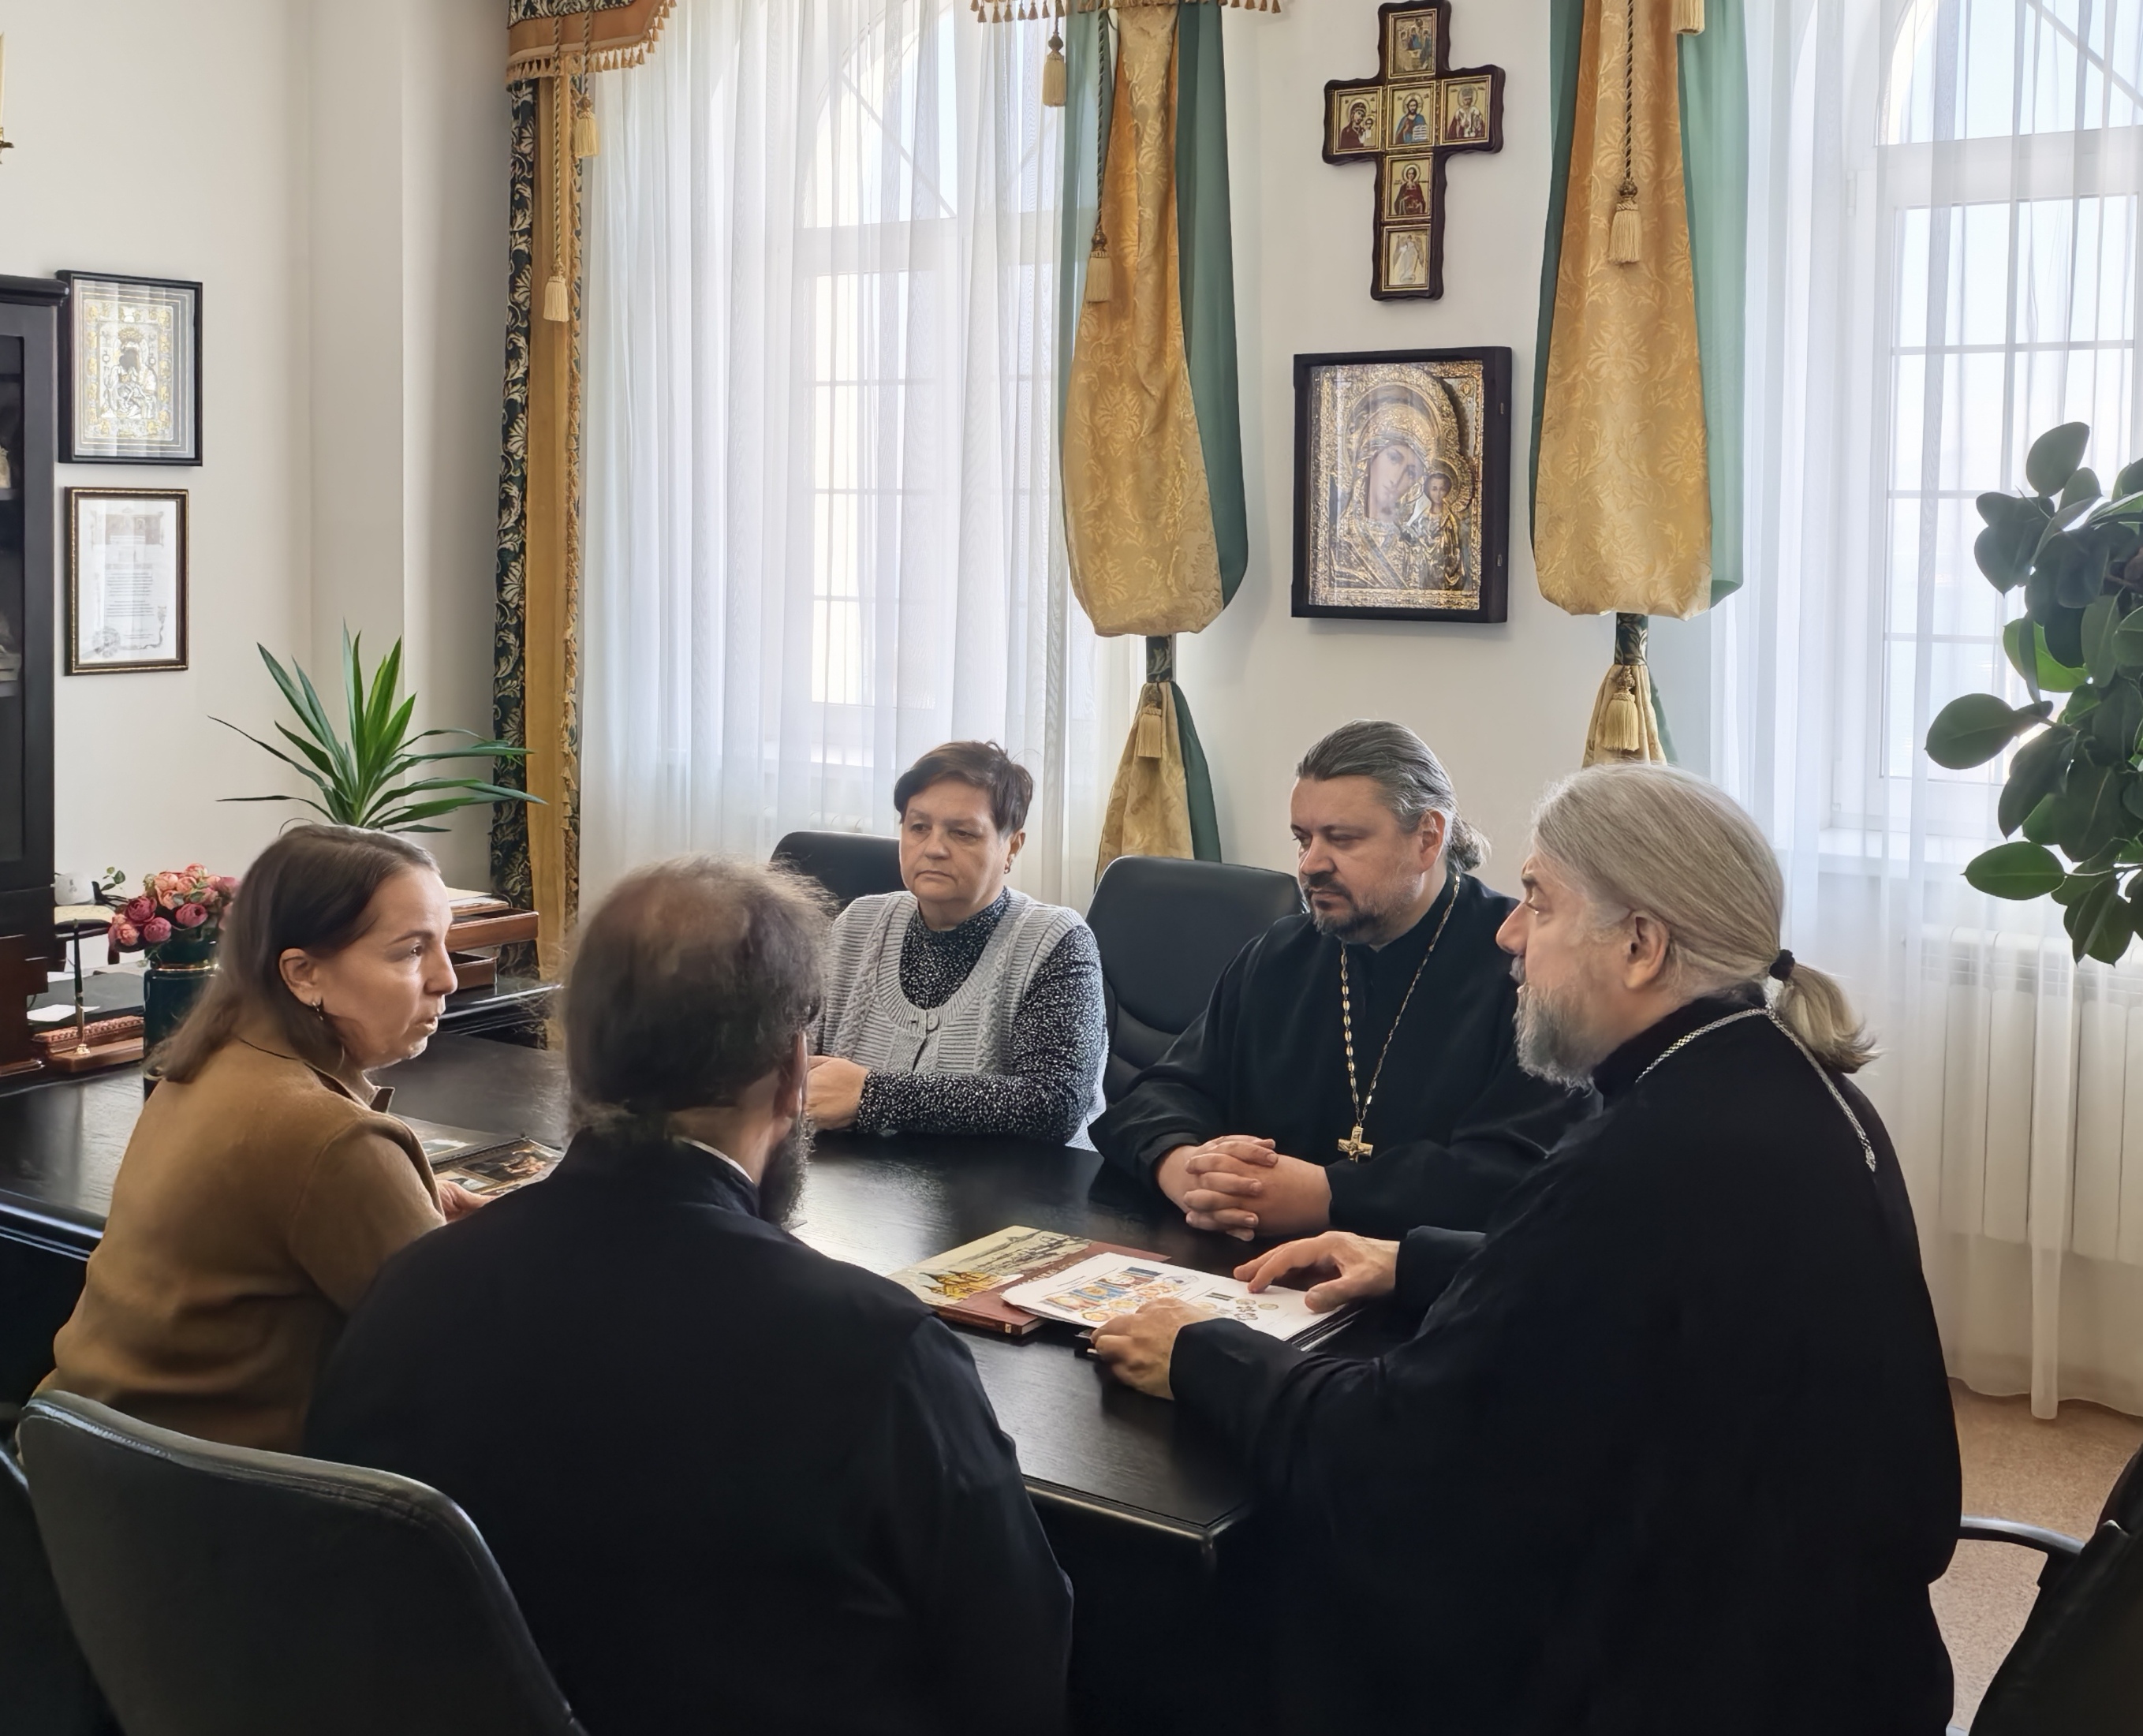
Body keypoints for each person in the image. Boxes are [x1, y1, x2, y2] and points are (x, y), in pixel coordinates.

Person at [1092, 764, 1961, 1734]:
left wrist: (1200, 1348)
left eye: (1538, 902)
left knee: (1212, 1601)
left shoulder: (1640, 1154)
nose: (1508, 933)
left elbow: (1397, 1454)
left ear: (1639, 944)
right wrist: (1411, 1260)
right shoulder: (1780, 1081)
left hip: (1685, 1675)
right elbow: (1637, 1296)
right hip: (1828, 1646)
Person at [305, 857, 1072, 1736]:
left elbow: (345, 1591)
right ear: (793, 1071)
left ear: (577, 1056)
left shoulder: (413, 1286)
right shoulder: (876, 1347)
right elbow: (1017, 1666)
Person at [40, 825, 478, 1451]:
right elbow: (469, 1354)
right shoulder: (332, 1139)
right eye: (411, 951)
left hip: (79, 1477)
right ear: (303, 973)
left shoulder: (205, 1063)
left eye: (444, 944)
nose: (447, 979)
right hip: (229, 1500)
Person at [1092, 721, 1591, 1241]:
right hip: (1245, 1261)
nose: (1310, 865)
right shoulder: (1280, 955)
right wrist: (1184, 1167)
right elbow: (1158, 1095)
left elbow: (1521, 1173)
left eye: (1342, 839)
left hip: (1428, 1279)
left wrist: (1328, 1194)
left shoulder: (1526, 966)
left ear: (1427, 839)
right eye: (1302, 839)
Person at [810, 740, 1106, 1146]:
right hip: (853, 1176)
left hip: (1011, 1182)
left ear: (1011, 847)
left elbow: (1055, 1102)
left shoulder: (1056, 941)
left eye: (962, 833)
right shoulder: (857, 923)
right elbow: (787, 1059)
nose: (933, 848)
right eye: (918, 827)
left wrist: (873, 1095)